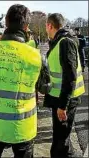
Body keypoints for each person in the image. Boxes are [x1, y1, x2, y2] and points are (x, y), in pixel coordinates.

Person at [0, 4, 42, 158]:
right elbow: (45, 87)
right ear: (26, 26)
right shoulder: (36, 56)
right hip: (23, 127)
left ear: (6, 22)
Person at [43, 13, 85, 158]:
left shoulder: (64, 42)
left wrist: (63, 105)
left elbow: (70, 77)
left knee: (60, 142)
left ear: (50, 25)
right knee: (61, 139)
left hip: (65, 99)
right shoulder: (60, 41)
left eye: (46, 27)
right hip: (61, 97)